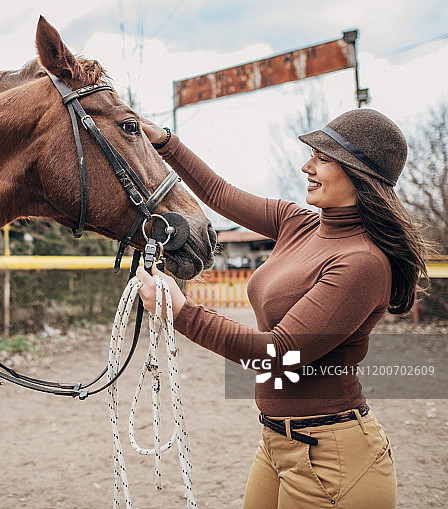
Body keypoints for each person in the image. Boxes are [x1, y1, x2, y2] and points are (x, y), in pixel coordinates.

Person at [136, 109, 430, 508]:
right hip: (276, 442)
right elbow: (220, 194)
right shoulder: (299, 222)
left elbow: (279, 354)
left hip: (332, 456)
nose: (307, 166)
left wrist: (183, 311)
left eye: (323, 158)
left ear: (359, 173)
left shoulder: (362, 262)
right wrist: (164, 142)